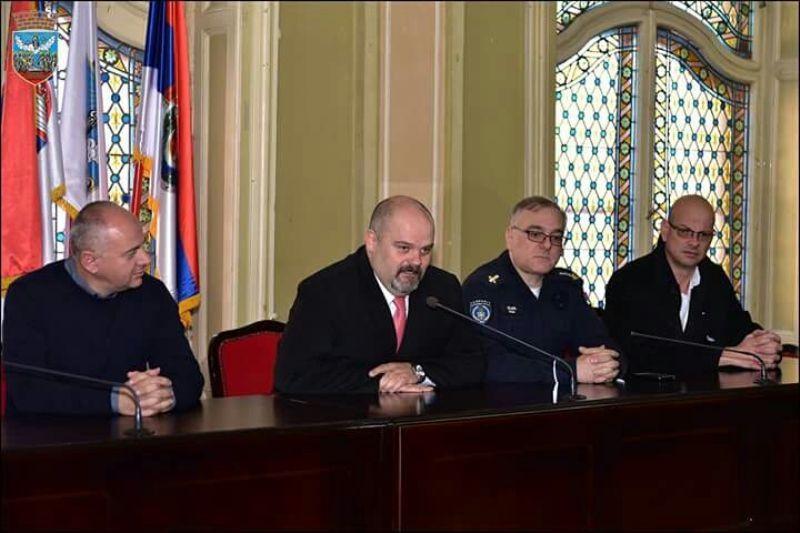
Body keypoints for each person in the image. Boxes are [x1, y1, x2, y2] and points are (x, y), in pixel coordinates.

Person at [3, 201, 204, 416]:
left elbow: (188, 377)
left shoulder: (152, 293)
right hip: (49, 434)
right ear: (90, 262)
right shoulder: (29, 296)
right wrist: (115, 401)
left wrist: (162, 396)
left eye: (143, 246)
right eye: (132, 253)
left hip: (133, 432)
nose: (145, 259)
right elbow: (27, 393)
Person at [275, 195, 485, 394]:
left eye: (425, 250)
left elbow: (472, 362)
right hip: (346, 415)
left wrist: (417, 372)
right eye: (404, 248)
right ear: (372, 242)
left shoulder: (442, 288)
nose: (416, 262)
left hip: (423, 415)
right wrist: (381, 381)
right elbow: (294, 375)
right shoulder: (324, 292)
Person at [603, 194, 782, 377]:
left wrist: (764, 344)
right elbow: (635, 354)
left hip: (709, 391)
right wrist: (721, 357)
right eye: (685, 231)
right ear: (665, 230)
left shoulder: (715, 279)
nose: (694, 242)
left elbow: (739, 329)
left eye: (703, 235)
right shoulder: (629, 281)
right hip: (643, 392)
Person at [462, 196, 621, 386]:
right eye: (535, 234)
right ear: (510, 237)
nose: (547, 245)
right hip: (502, 400)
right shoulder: (483, 288)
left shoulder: (566, 287)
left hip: (562, 399)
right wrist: (569, 371)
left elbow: (602, 343)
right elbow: (489, 364)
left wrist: (607, 363)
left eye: (556, 237)